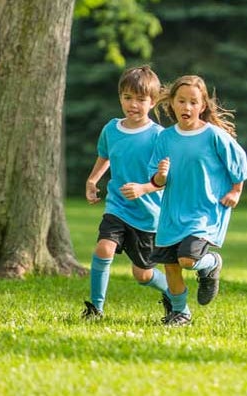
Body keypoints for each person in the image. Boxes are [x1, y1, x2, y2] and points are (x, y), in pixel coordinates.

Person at [135, 75, 247, 327]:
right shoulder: (164, 138)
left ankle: (211, 263)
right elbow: (155, 179)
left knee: (188, 260)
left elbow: (239, 163)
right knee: (171, 266)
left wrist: (236, 191)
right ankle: (180, 313)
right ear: (172, 104)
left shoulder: (214, 136)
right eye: (181, 101)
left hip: (204, 212)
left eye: (193, 102)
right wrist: (161, 175)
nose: (187, 107)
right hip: (172, 213)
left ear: (203, 106)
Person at [81, 65, 170, 320]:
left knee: (142, 274)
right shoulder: (111, 129)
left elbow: (164, 180)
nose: (133, 104)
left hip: (148, 214)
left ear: (152, 102)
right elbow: (105, 155)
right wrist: (93, 179)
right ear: (120, 97)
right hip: (117, 207)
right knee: (103, 249)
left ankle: (170, 291)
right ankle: (95, 308)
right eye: (127, 98)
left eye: (140, 100)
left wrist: (144, 188)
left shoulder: (158, 136)